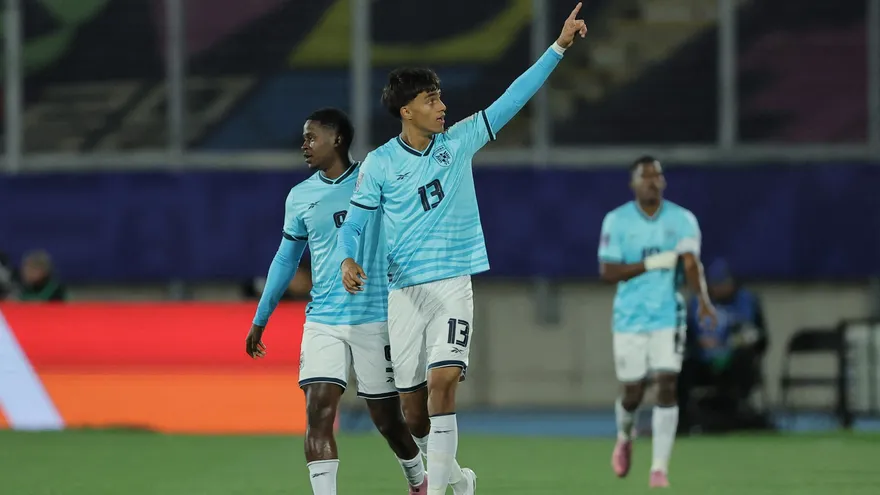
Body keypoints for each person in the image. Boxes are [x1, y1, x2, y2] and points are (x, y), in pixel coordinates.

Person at [336, 5, 588, 494]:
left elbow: (511, 100)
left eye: (441, 97)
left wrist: (558, 47)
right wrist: (347, 257)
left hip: (452, 283)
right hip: (403, 293)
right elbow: (357, 221)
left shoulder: (459, 142)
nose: (442, 106)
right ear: (407, 110)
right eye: (431, 100)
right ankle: (458, 477)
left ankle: (442, 490)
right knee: (414, 416)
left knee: (444, 381)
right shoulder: (380, 164)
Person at [245, 108, 426, 495]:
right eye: (304, 138)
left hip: (375, 317)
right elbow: (285, 260)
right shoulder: (300, 196)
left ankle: (419, 480)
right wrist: (261, 319)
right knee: (318, 412)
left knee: (388, 421)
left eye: (312, 137)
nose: (304, 145)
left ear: (337, 140)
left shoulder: (373, 179)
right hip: (323, 320)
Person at [597, 156, 717, 488]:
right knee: (632, 392)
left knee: (667, 383)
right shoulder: (616, 221)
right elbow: (607, 272)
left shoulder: (682, 220)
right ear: (633, 183)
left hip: (668, 315)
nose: (652, 181)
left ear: (663, 182)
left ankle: (659, 468)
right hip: (629, 318)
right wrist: (651, 263)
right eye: (645, 177)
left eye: (657, 176)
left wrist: (703, 301)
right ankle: (625, 436)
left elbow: (691, 263)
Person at [679, 259, 769, 429]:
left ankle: (737, 417)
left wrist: (734, 342)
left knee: (742, 363)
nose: (719, 288)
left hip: (734, 362)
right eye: (715, 284)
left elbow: (760, 339)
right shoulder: (697, 303)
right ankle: (683, 423)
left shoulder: (747, 302)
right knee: (682, 367)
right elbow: (685, 337)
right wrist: (698, 344)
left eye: (723, 283)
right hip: (703, 362)